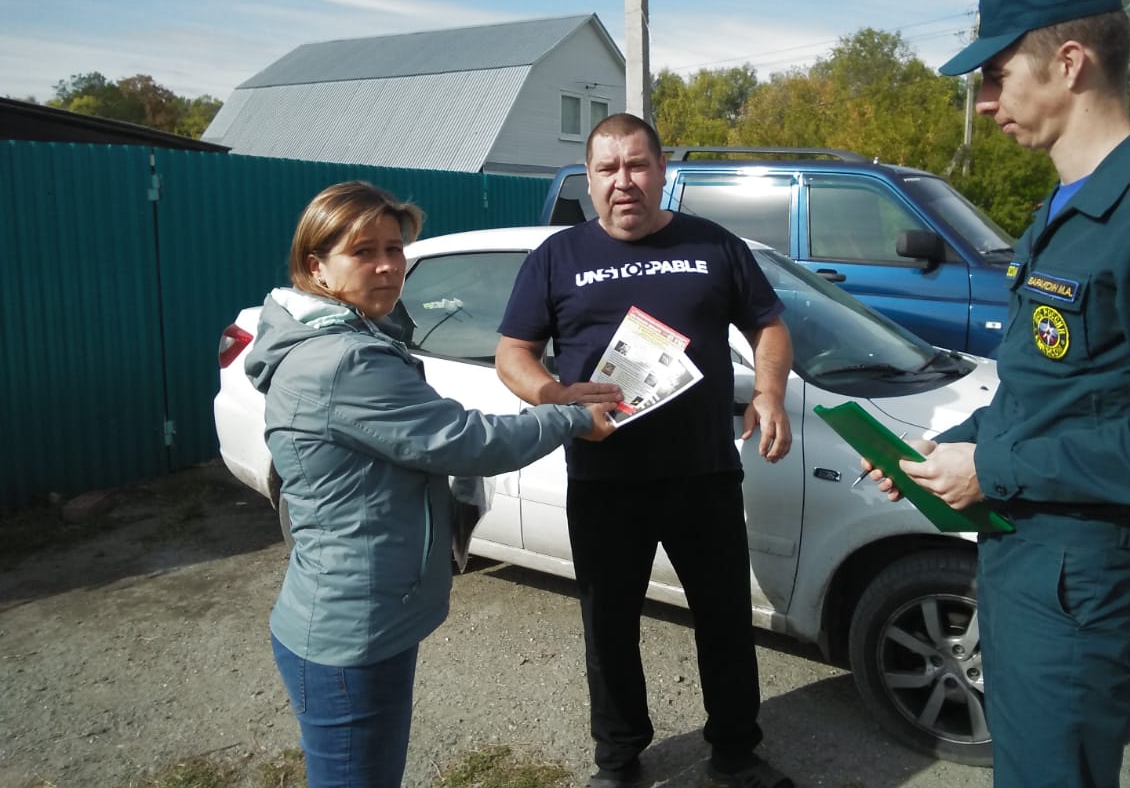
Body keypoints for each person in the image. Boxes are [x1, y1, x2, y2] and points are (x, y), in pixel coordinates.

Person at [866, 0, 1130, 787]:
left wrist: (993, 467)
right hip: (1023, 548)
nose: (985, 101)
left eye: (998, 75)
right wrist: (949, 451)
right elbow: (1051, 389)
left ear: (1070, 64)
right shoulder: (1067, 207)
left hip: (1078, 568)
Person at [244, 180, 615, 788]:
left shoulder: (349, 339)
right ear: (317, 267)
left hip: (360, 617)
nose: (389, 266)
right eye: (364, 252)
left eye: (395, 249)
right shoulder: (344, 361)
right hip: (350, 631)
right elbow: (466, 442)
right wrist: (571, 415)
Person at [495, 113, 796, 788]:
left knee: (723, 620)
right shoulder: (557, 257)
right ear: (590, 179)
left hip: (704, 472)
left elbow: (768, 325)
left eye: (637, 166)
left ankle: (736, 751)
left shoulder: (714, 245)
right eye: (608, 169)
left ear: (661, 172)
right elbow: (512, 353)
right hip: (605, 478)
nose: (623, 181)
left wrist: (769, 392)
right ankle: (620, 759)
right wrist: (555, 398)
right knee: (609, 628)